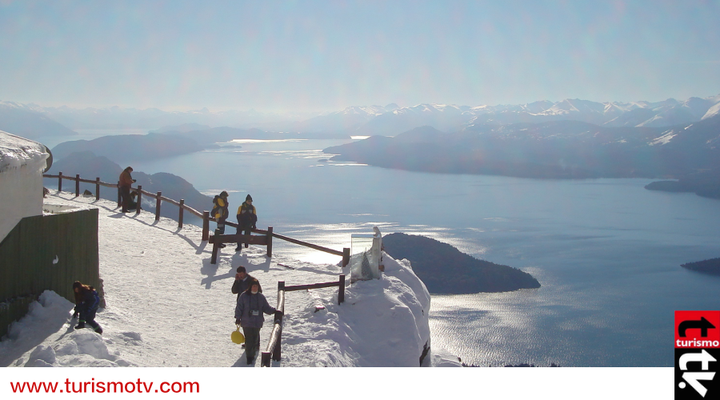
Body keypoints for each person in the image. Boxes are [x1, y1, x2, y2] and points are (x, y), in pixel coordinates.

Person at [235, 279, 276, 365]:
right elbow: (239, 307)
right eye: (253, 286)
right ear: (250, 287)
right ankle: (249, 357)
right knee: (249, 340)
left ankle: (252, 354)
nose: (255, 288)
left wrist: (274, 311)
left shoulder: (260, 297)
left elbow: (266, 308)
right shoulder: (244, 296)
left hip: (257, 322)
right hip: (246, 322)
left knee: (255, 339)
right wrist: (238, 318)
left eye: (256, 286)